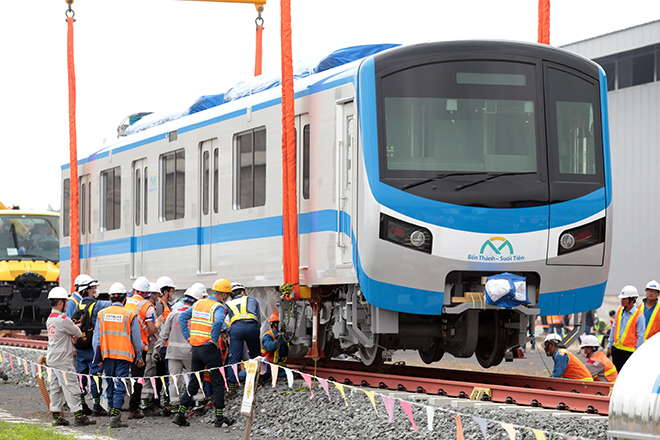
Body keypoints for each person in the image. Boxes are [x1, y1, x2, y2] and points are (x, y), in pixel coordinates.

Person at [176, 278, 234, 428]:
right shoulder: (218, 307)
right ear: (223, 295)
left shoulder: (198, 303)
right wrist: (215, 339)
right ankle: (219, 418)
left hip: (196, 349)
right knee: (217, 382)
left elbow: (182, 317)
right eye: (226, 295)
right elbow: (217, 323)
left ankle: (180, 414)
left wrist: (188, 337)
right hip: (209, 348)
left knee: (194, 381)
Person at [93, 282, 144, 428]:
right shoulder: (130, 314)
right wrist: (139, 357)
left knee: (109, 382)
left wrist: (98, 358)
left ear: (110, 299)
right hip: (123, 356)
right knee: (120, 383)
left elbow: (96, 339)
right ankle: (115, 416)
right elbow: (136, 339)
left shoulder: (101, 314)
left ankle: (112, 410)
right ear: (125, 299)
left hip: (107, 355)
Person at [45, 287, 95, 427]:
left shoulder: (50, 319)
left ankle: (56, 416)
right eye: (65, 302)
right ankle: (79, 416)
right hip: (63, 359)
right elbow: (78, 332)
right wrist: (72, 336)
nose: (66, 304)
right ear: (61, 303)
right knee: (71, 385)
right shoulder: (63, 319)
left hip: (52, 358)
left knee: (55, 387)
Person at [154, 285, 202, 419]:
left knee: (174, 380)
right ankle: (198, 403)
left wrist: (157, 349)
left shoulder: (173, 313)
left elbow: (164, 334)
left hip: (173, 353)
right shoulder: (196, 314)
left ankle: (174, 406)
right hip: (190, 352)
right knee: (195, 377)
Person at [71, 275, 111, 416]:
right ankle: (96, 405)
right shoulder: (98, 305)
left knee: (81, 376)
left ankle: (82, 404)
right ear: (87, 290)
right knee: (95, 376)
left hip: (81, 347)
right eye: (93, 288)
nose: (95, 290)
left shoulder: (78, 305)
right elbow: (115, 303)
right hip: (93, 348)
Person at [124, 276, 158, 419]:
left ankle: (116, 406)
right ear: (146, 293)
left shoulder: (125, 303)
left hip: (124, 346)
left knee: (121, 376)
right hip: (140, 348)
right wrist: (158, 324)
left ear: (133, 290)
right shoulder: (147, 307)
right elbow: (151, 330)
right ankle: (133, 409)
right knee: (138, 378)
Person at [225, 282, 261, 396]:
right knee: (255, 356)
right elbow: (258, 320)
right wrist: (255, 331)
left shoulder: (228, 304)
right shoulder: (253, 300)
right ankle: (255, 380)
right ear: (243, 292)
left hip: (236, 328)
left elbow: (221, 320)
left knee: (233, 358)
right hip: (252, 326)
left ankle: (231, 387)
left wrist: (229, 330)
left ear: (231, 295)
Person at [607, 285, 646, 372]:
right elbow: (613, 328)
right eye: (622, 298)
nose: (621, 300)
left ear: (632, 300)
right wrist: (609, 346)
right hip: (616, 350)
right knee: (617, 375)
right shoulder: (619, 310)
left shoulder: (639, 316)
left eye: (624, 299)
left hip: (629, 352)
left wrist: (637, 353)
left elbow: (640, 336)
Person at [260, 311, 288, 381]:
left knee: (294, 372)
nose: (283, 325)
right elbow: (270, 347)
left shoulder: (285, 337)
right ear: (273, 324)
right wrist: (282, 340)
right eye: (280, 323)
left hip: (278, 367)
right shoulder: (268, 336)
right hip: (266, 367)